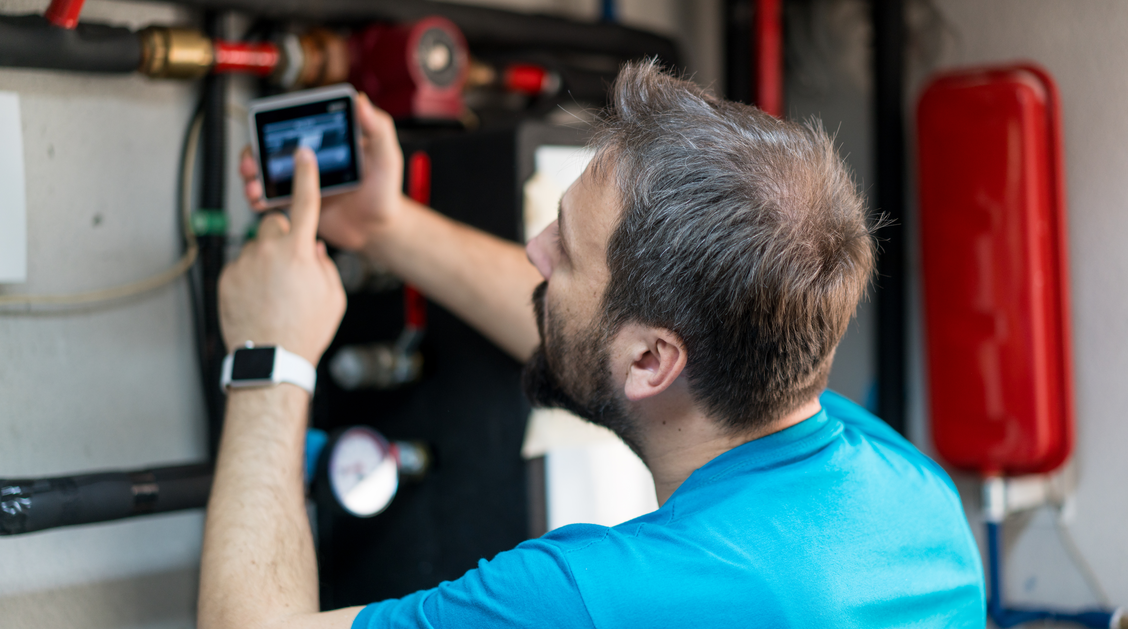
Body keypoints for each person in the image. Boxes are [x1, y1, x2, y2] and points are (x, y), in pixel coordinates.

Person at [200, 61, 985, 629]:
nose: (535, 250)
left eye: (564, 250)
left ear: (652, 360)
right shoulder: (910, 492)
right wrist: (387, 227)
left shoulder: (593, 598)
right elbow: (592, 333)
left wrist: (272, 355)